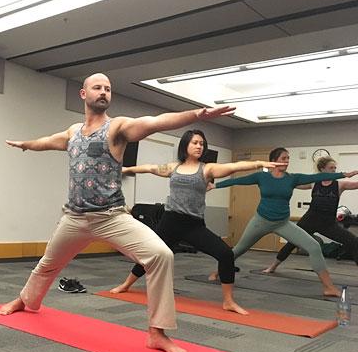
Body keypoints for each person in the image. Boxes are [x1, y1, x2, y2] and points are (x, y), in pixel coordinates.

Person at [0, 73, 235, 352]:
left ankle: (157, 333)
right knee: (48, 263)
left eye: (108, 89)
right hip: (74, 218)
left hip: (111, 217)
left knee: (162, 255)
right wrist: (26, 144)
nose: (104, 92)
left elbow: (155, 121)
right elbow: (49, 141)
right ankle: (26, 301)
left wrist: (197, 114)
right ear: (83, 94)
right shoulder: (73, 132)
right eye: (97, 88)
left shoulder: (118, 128)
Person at [109, 130, 284, 315]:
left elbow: (234, 166)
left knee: (225, 254)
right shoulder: (173, 168)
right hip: (170, 222)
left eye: (202, 143)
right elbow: (149, 168)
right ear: (185, 145)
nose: (199, 146)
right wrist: (126, 169)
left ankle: (228, 301)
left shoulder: (207, 169)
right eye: (195, 142)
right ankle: (126, 284)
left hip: (193, 225)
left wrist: (259, 163)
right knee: (152, 256)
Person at [212, 147, 358, 297]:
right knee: (239, 249)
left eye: (288, 158)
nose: (287, 161)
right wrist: (215, 185)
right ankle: (217, 272)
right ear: (273, 161)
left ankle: (329, 287)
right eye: (284, 158)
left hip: (282, 223)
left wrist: (344, 174)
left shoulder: (292, 178)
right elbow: (239, 180)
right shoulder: (262, 177)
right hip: (261, 221)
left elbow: (316, 178)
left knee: (314, 247)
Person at [264, 156, 358, 272]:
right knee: (292, 242)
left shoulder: (340, 185)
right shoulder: (314, 183)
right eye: (331, 168)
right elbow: (293, 183)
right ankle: (272, 266)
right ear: (322, 169)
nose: (334, 170)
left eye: (335, 168)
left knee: (353, 241)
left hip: (328, 224)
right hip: (309, 220)